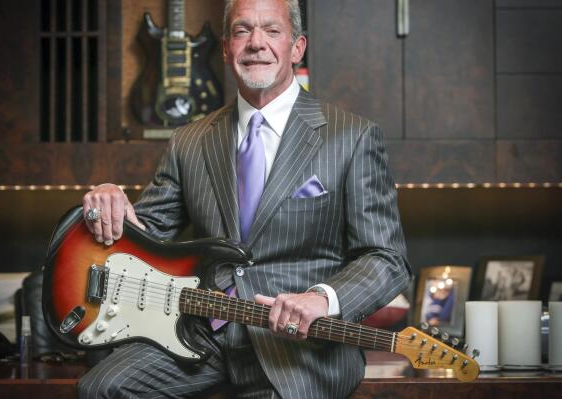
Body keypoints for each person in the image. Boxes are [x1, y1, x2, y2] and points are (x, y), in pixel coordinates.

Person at [78, 0, 411, 397]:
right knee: (100, 388)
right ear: (225, 48)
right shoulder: (190, 140)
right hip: (203, 336)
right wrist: (110, 196)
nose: (256, 43)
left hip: (300, 348)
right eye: (242, 31)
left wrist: (323, 299)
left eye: (272, 31)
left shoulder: (351, 137)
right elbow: (143, 238)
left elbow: (386, 258)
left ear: (297, 47)